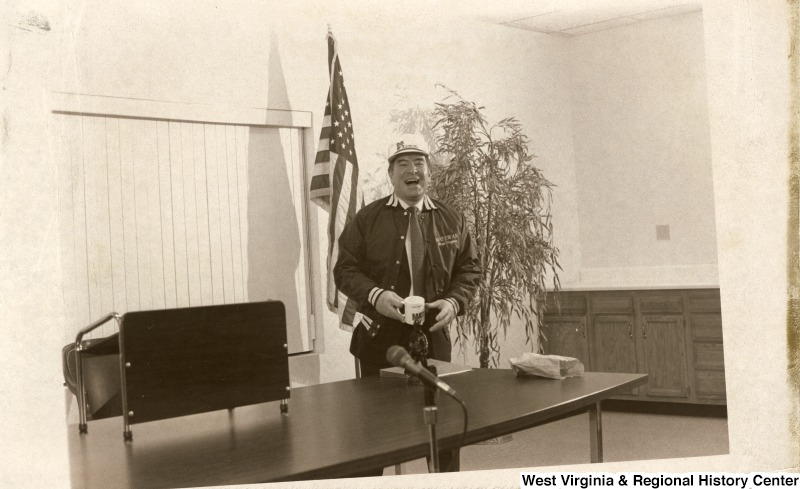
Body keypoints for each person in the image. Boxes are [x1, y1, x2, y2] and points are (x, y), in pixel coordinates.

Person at [333, 138, 481, 475]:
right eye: (403, 164)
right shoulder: (367, 219)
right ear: (391, 174)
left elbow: (470, 268)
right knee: (376, 437)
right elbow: (344, 269)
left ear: (429, 173)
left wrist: (454, 302)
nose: (412, 170)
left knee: (441, 432)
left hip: (433, 338)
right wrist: (375, 296)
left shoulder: (451, 219)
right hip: (379, 342)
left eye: (419, 163)